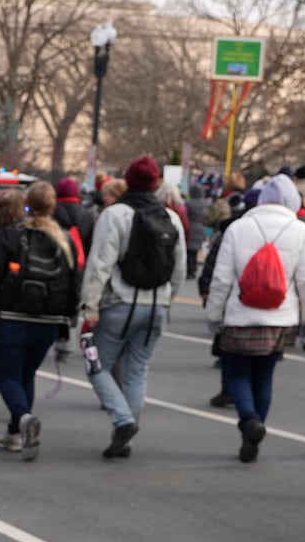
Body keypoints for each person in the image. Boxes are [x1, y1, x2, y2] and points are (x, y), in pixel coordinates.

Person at [204, 173, 305, 462]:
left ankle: (249, 420)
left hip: (241, 314)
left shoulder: (238, 227)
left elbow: (221, 278)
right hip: (280, 317)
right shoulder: (300, 230)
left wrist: (213, 315)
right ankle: (255, 429)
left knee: (237, 373)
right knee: (264, 375)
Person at [80, 156, 188, 460]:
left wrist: (90, 306)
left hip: (120, 303)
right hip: (156, 303)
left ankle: (122, 420)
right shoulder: (171, 218)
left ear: (128, 180)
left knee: (96, 363)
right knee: (137, 371)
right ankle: (125, 436)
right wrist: (169, 299)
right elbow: (178, 268)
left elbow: (100, 264)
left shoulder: (115, 215)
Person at [0, 182, 78, 460]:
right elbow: (74, 282)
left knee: (7, 375)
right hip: (49, 318)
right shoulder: (64, 240)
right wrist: (68, 320)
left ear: (28, 204)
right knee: (27, 375)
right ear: (53, 206)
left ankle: (23, 418)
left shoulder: (10, 236)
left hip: (10, 316)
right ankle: (15, 433)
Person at [53, 177, 97, 279]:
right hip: (80, 266)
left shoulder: (52, 212)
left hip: (56, 267)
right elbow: (90, 243)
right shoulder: (87, 214)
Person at [185, 183, 211, 278]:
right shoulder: (206, 203)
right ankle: (194, 268)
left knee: (190, 251)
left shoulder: (189, 203)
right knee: (196, 250)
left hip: (191, 227)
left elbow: (186, 216)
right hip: (201, 227)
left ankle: (190, 270)